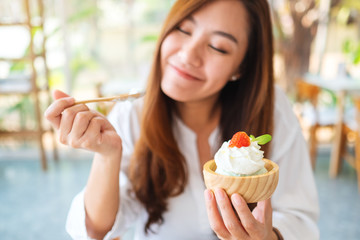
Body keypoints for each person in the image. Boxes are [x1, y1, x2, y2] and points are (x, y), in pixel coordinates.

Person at [44, 0, 319, 239]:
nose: (188, 55)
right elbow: (95, 229)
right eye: (183, 29)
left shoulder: (272, 109)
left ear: (241, 67)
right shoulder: (131, 114)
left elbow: (300, 218)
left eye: (218, 47)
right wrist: (106, 155)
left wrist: (266, 238)